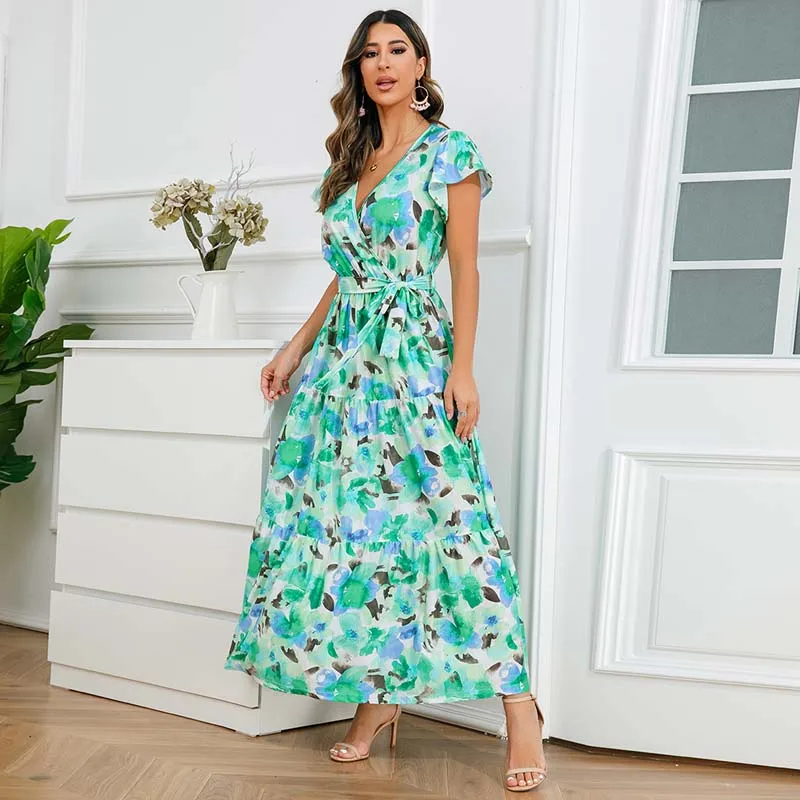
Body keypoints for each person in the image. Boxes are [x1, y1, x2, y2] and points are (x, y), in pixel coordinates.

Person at [224, 8, 547, 792]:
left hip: (414, 358)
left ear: (421, 63)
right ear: (358, 70)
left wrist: (462, 369)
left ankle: (521, 708)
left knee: (453, 522)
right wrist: (296, 347)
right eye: (370, 53)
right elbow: (349, 273)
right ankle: (377, 699)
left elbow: (464, 268)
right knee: (355, 530)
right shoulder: (353, 157)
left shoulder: (451, 152)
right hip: (341, 372)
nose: (384, 63)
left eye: (398, 49)